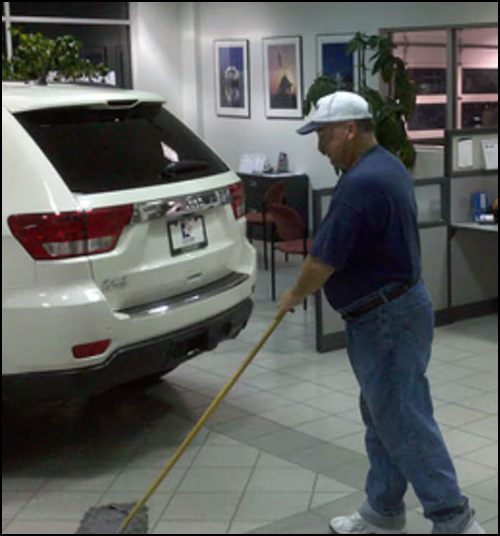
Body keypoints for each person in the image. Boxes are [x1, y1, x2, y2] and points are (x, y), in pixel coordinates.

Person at [277, 91, 486, 535]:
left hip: (386, 320)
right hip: (397, 311)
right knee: (384, 415)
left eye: (322, 135)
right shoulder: (387, 164)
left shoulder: (360, 184)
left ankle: (454, 520)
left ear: (348, 129)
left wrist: (292, 295)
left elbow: (321, 261)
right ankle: (384, 510)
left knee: (403, 420)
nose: (319, 146)